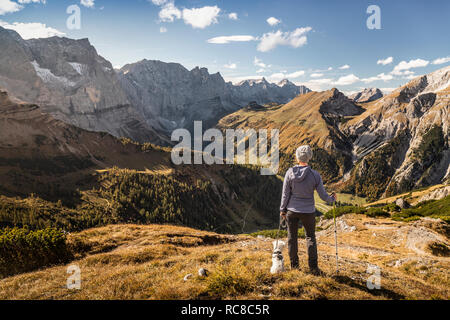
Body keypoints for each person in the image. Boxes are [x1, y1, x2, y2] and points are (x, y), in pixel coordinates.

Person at [279, 145, 336, 275]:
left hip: (291, 211)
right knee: (310, 237)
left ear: (297, 157)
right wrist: (332, 199)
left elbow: (285, 194)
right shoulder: (315, 175)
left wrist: (283, 210)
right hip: (308, 211)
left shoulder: (289, 173)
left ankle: (295, 267)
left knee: (292, 238)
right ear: (309, 157)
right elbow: (323, 196)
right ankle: (314, 268)